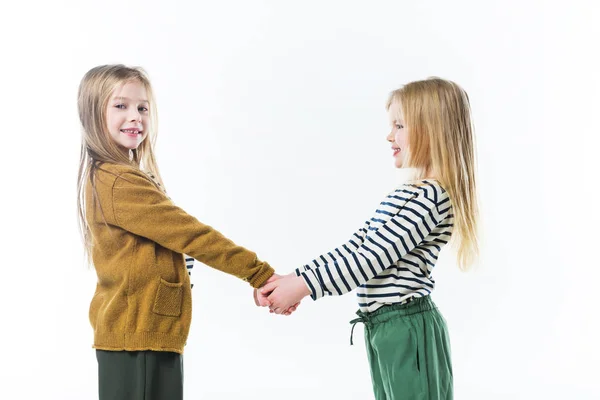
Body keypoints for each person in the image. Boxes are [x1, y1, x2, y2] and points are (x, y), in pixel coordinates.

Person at [259, 77, 479, 399]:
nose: (390, 136)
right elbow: (355, 246)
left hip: (407, 328)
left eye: (399, 125)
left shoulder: (432, 198)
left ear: (432, 131)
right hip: (383, 327)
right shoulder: (407, 194)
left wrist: (302, 287)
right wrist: (294, 279)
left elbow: (367, 260)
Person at [76, 64, 280, 400]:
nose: (136, 117)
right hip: (137, 337)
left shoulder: (120, 176)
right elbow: (191, 235)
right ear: (93, 113)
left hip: (146, 333)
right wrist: (259, 273)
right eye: (121, 106)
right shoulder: (118, 180)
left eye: (142, 108)